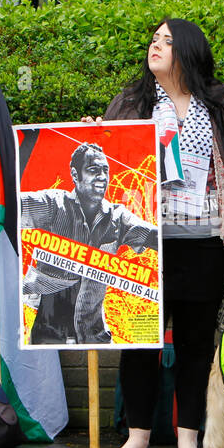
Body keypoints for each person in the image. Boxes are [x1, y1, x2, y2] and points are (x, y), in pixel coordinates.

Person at [100, 18, 224, 448]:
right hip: (143, 238)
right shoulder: (132, 100)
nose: (156, 47)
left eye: (167, 41)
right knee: (139, 338)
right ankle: (137, 435)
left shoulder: (218, 103)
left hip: (205, 240)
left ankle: (188, 439)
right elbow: (107, 155)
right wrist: (96, 133)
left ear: (187, 51)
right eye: (153, 40)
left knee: (196, 341)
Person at [20, 141, 159, 345]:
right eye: (93, 170)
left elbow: (153, 235)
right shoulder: (53, 205)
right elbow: (9, 205)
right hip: (47, 336)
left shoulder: (117, 217)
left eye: (105, 170)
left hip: (95, 337)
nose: (102, 177)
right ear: (75, 175)